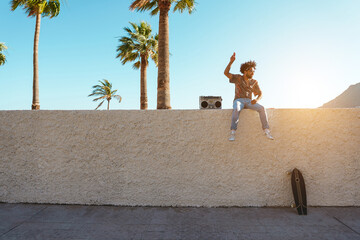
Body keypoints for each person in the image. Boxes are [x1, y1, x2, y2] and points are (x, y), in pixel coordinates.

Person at [224, 52, 274, 141]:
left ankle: (266, 131)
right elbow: (226, 73)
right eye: (251, 71)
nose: (253, 73)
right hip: (239, 100)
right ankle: (233, 132)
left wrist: (256, 99)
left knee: (262, 108)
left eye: (253, 71)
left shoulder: (254, 82)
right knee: (236, 108)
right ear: (245, 71)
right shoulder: (238, 78)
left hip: (249, 101)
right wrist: (231, 62)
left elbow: (260, 93)